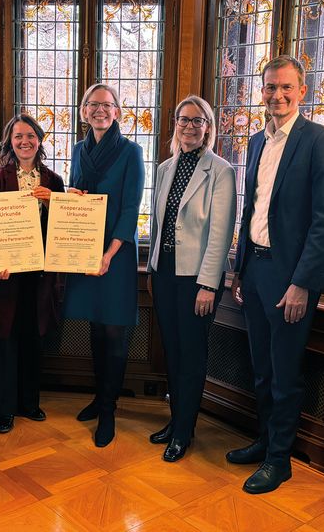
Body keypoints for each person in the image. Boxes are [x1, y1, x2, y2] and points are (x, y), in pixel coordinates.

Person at [227, 55, 324, 494]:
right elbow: (252, 210)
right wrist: (239, 269)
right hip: (255, 269)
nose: (277, 95)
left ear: (302, 91)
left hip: (290, 277)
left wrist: (301, 283)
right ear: (262, 92)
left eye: (286, 88)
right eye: (270, 88)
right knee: (260, 368)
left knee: (285, 370)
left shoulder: (320, 141)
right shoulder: (257, 142)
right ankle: (264, 442)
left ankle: (280, 460)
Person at [147, 95, 236, 462]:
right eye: (183, 120)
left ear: (208, 128)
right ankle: (176, 419)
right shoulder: (166, 167)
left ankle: (185, 432)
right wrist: (152, 268)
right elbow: (156, 224)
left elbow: (221, 232)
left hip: (195, 280)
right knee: (172, 351)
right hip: (165, 273)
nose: (189, 127)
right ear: (175, 125)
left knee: (192, 354)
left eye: (197, 121)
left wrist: (208, 284)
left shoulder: (221, 171)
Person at [63, 83, 145, 447]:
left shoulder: (132, 152)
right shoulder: (79, 150)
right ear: (84, 111)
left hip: (116, 254)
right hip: (84, 251)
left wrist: (108, 255)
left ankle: (109, 408)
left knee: (114, 331)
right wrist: (72, 196)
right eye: (93, 105)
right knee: (95, 328)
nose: (99, 110)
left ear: (117, 113)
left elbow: (130, 210)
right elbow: (77, 194)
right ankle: (99, 397)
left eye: (107, 105)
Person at [0, 114, 65, 434]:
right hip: (6, 273)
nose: (24, 141)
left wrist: (54, 200)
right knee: (4, 338)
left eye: (30, 135)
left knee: (32, 335)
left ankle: (28, 403)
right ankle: (2, 409)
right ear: (9, 142)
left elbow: (62, 227)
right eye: (18, 137)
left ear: (39, 140)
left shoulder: (53, 180)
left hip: (39, 275)